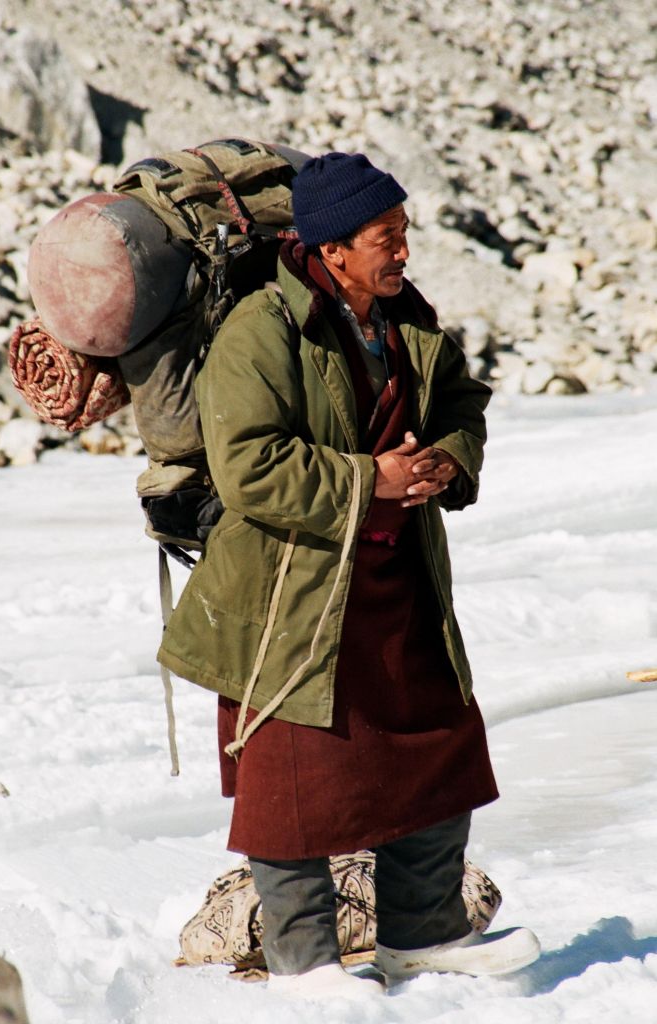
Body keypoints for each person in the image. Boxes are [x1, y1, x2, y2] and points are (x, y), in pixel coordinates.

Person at [158, 152, 540, 1000]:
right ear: (331, 249)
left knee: (436, 742)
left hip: (396, 581)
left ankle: (423, 933)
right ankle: (304, 965)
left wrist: (444, 459)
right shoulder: (261, 331)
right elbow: (249, 467)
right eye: (384, 238)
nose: (402, 252)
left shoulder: (407, 320)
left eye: (403, 234)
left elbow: (460, 406)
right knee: (294, 775)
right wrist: (373, 480)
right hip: (288, 593)